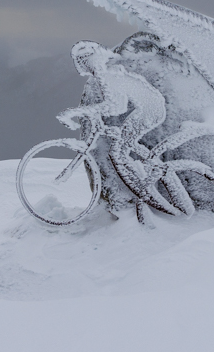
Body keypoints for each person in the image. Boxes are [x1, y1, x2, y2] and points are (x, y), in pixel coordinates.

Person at [57, 41, 183, 219]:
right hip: (148, 107)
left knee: (118, 152)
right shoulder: (105, 72)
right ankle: (144, 183)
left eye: (84, 61)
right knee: (121, 147)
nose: (83, 65)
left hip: (150, 110)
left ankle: (145, 192)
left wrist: (77, 112)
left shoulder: (105, 73)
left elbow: (116, 107)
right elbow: (115, 105)